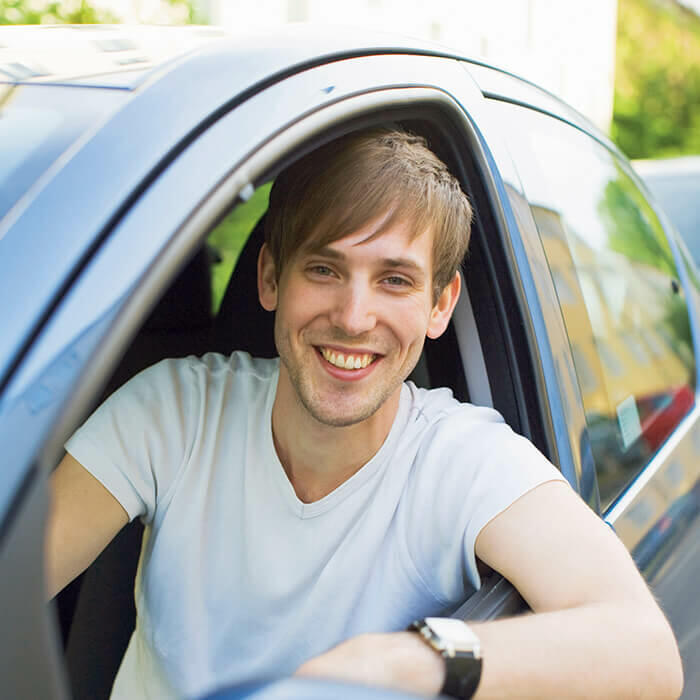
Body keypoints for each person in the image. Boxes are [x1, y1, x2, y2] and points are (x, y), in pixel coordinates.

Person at [46, 127, 683, 700]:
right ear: (270, 277)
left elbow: (646, 651)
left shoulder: (460, 458)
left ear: (440, 306)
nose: (353, 318)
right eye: (324, 269)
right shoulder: (174, 411)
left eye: (395, 280)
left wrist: (406, 662)